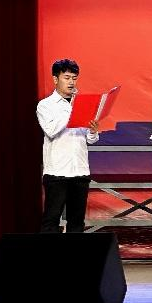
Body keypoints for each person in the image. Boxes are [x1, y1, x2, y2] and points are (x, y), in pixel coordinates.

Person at [37, 58, 100, 233]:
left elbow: (90, 139)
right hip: (57, 172)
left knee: (77, 222)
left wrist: (93, 130)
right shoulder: (45, 105)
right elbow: (51, 130)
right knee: (51, 220)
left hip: (80, 170)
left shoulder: (81, 104)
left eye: (74, 78)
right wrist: (73, 108)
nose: (71, 82)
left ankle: (74, 252)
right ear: (55, 79)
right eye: (67, 78)